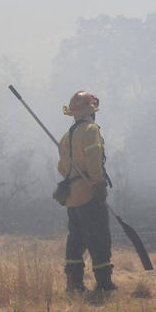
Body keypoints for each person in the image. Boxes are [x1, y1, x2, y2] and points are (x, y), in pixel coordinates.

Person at [58, 90, 115, 296]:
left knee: (76, 241)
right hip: (89, 194)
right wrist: (99, 185)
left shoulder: (66, 136)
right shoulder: (91, 130)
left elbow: (62, 167)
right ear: (92, 111)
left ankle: (74, 284)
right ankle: (104, 284)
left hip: (72, 197)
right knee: (99, 238)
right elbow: (93, 161)